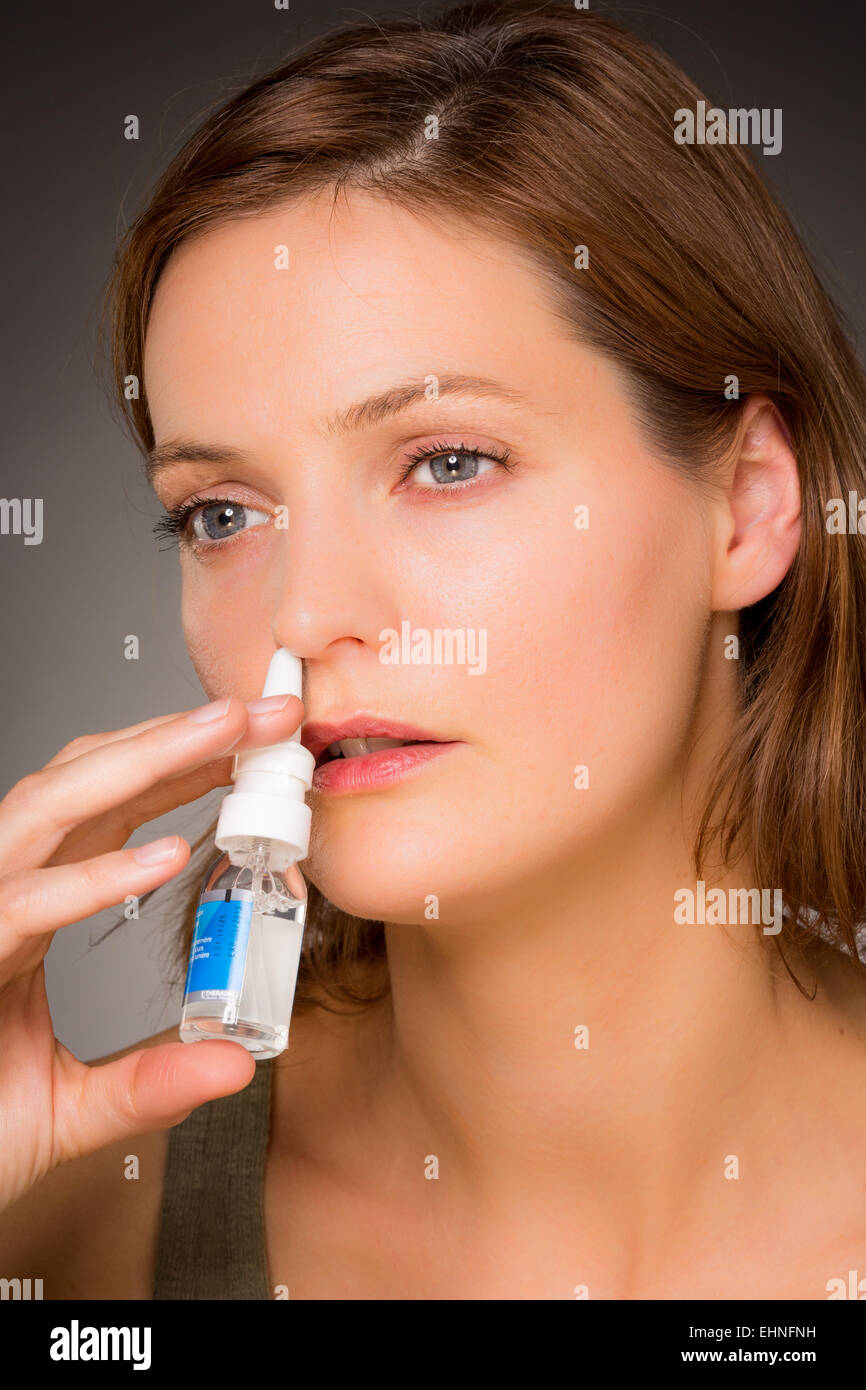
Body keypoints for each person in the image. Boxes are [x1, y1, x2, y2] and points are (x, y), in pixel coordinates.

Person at [2, 0, 866, 1300]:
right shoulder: (75, 1242)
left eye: (446, 462)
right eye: (220, 513)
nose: (296, 620)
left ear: (744, 506)